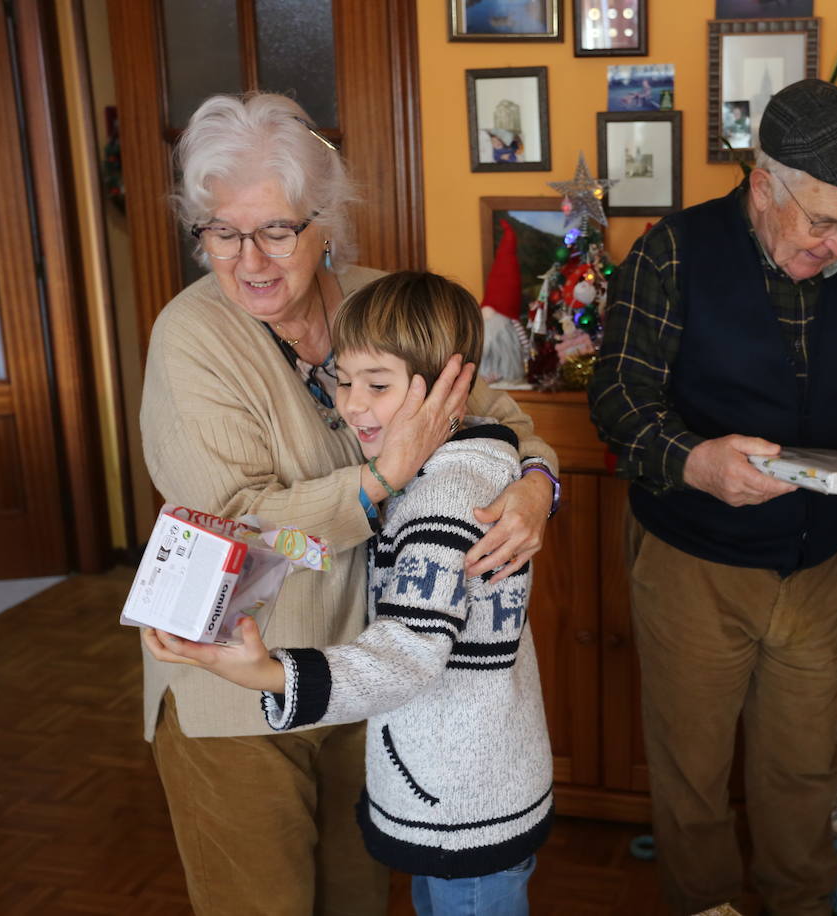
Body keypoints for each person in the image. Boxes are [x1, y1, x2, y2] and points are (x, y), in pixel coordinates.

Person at [139, 93, 561, 916]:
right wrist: (379, 480)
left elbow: (507, 427)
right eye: (221, 232)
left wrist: (539, 489)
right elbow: (238, 532)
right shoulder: (189, 338)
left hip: (370, 681)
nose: (249, 258)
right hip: (239, 687)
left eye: (276, 230)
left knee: (358, 898)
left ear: (326, 220)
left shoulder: (384, 303)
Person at [588, 79, 837, 915]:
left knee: (804, 766)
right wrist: (697, 461)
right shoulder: (673, 251)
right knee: (693, 772)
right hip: (694, 562)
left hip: (815, 561)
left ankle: (800, 906)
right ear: (764, 183)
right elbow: (618, 396)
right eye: (825, 222)